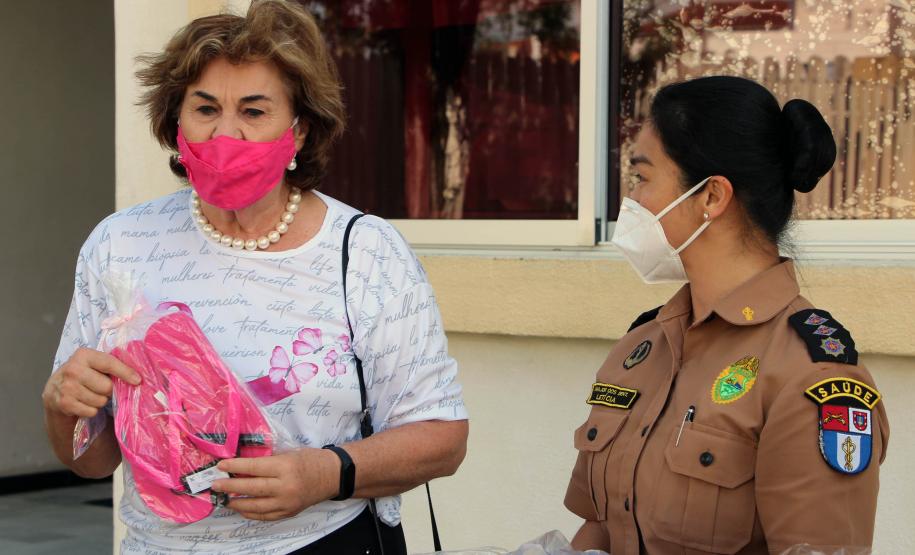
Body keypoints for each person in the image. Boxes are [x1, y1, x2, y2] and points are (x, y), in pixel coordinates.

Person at [41, 1, 468, 553]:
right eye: (206, 108)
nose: (227, 134)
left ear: (299, 129)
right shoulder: (120, 245)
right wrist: (60, 406)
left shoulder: (364, 251)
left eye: (254, 110)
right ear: (176, 123)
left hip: (321, 542)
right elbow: (91, 461)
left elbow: (442, 437)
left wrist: (323, 474)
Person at [564, 76, 888, 554]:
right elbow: (601, 531)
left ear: (711, 197)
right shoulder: (643, 346)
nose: (631, 202)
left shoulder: (811, 372)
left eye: (643, 177)